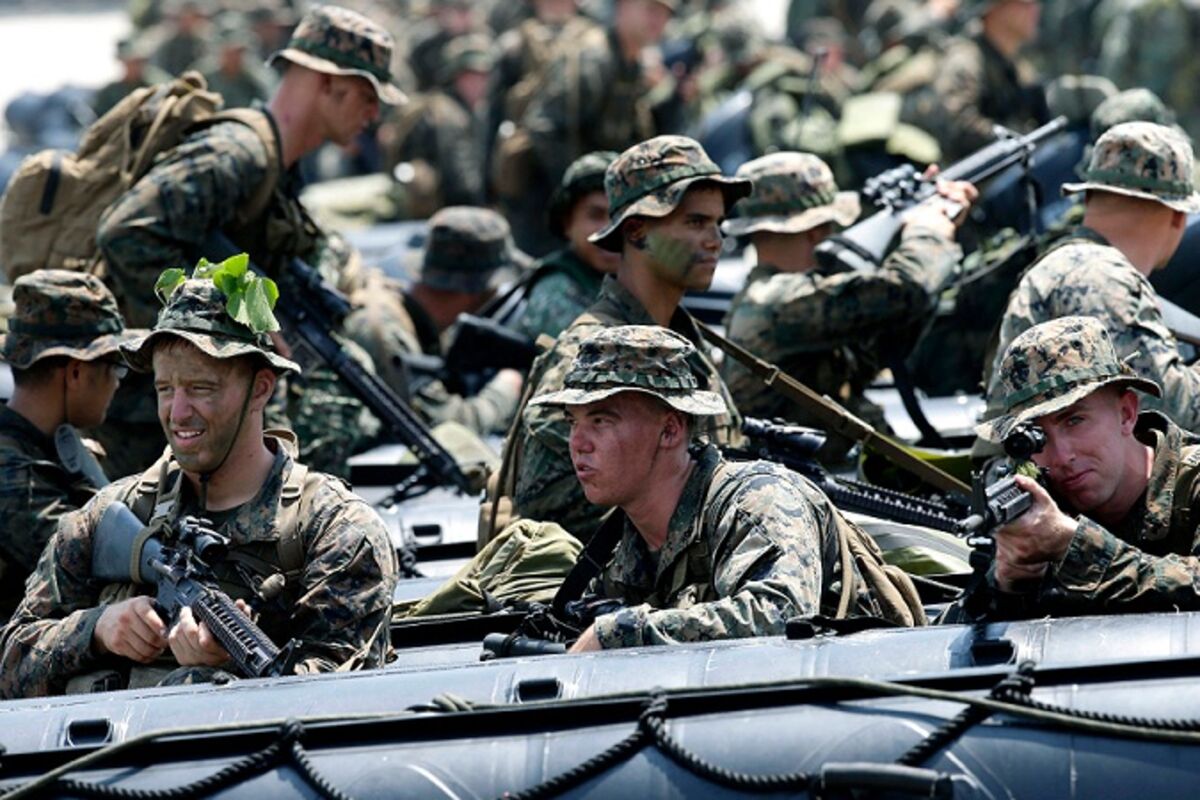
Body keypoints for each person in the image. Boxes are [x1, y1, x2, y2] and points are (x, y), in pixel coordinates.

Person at [0, 274, 398, 698]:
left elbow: (341, 697)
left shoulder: (336, 530)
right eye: (165, 389)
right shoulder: (107, 516)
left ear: (260, 389)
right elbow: (10, 663)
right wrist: (97, 630)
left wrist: (226, 671)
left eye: (201, 389)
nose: (178, 412)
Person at [96, 4, 408, 479]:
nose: (373, 113)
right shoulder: (237, 154)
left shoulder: (278, 166)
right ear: (327, 83)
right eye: (367, 95)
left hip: (190, 406)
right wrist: (229, 320)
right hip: (146, 409)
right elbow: (126, 233)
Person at [529, 325, 902, 651]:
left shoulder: (759, 500)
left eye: (601, 420)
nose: (578, 443)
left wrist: (623, 633)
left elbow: (781, 616)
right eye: (573, 422)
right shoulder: (626, 545)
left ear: (670, 430)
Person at [498, 134, 749, 542]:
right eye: (695, 222)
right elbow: (549, 513)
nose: (715, 240)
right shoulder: (589, 355)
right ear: (635, 231)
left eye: (717, 223)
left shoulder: (680, 341)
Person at [721, 152, 975, 463]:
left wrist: (918, 223)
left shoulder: (784, 295)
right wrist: (929, 230)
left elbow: (889, 325)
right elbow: (906, 289)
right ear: (815, 231)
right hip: (802, 478)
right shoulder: (777, 300)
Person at [982, 122, 1200, 435]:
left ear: (1088, 198)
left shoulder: (1073, 264)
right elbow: (1165, 409)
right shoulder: (1098, 277)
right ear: (1178, 216)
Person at [976, 315, 1200, 616]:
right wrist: (1006, 585)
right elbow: (954, 626)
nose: (1061, 456)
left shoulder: (1193, 482)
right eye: (1037, 437)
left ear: (1126, 413)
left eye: (1074, 420)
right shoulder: (1040, 508)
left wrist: (1073, 545)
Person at [0, 271, 139, 623]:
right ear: (76, 373)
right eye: (115, 368)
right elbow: (88, 565)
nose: (117, 384)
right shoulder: (11, 475)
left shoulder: (47, 445)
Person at [343, 206, 526, 437]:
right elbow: (448, 428)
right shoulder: (387, 335)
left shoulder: (396, 305)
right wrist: (507, 386)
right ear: (469, 293)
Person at [515, 0, 675, 255]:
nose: (658, 20)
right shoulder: (593, 60)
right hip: (550, 216)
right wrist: (578, 193)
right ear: (623, 7)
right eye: (651, 9)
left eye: (665, 13)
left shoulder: (631, 65)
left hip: (596, 215)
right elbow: (544, 129)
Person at [512, 150, 621, 342]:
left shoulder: (637, 280)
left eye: (619, 215)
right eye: (595, 215)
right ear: (568, 222)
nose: (609, 229)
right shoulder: (555, 291)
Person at [930, 0, 1047, 161]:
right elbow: (959, 128)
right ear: (994, 8)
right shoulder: (966, 60)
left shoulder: (1018, 66)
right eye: (1025, 3)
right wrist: (1014, 139)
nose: (1035, 9)